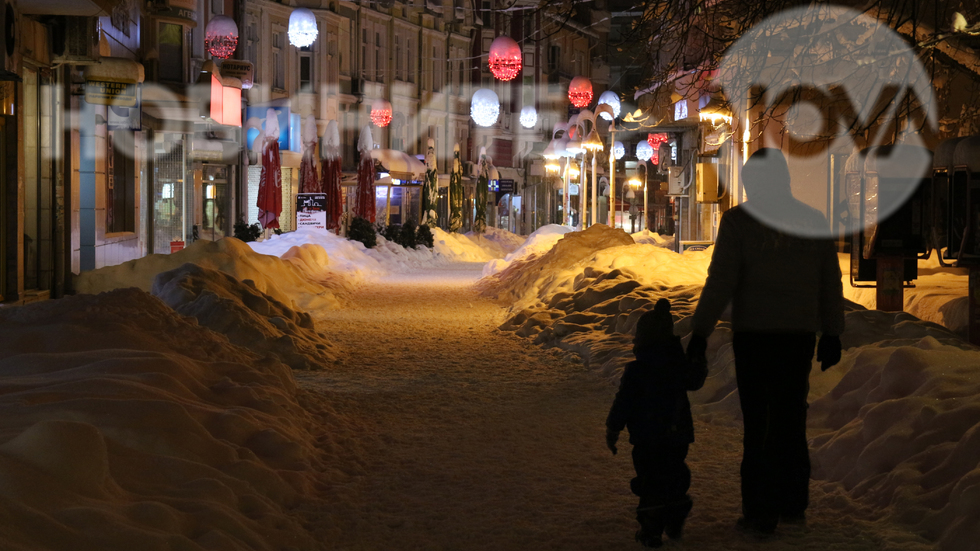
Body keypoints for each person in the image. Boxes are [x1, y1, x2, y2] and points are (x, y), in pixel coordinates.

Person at [687, 148, 845, 535]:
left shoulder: (739, 222)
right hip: (797, 337)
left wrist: (700, 330)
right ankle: (793, 503)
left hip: (755, 337)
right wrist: (833, 332)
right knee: (791, 417)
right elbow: (829, 281)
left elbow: (721, 280)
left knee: (758, 423)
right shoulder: (812, 220)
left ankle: (760, 511)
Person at [606, 298, 705, 549]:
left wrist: (613, 427)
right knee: (673, 472)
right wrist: (697, 360)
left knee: (650, 479)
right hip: (676, 434)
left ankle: (651, 528)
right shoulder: (677, 366)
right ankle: (676, 510)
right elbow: (694, 381)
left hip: (647, 436)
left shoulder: (637, 370)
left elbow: (624, 402)